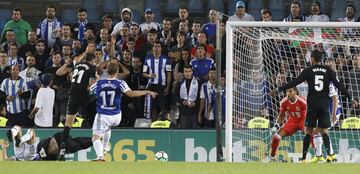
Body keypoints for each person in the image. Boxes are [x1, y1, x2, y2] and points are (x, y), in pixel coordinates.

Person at [269, 49, 359, 163]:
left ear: (312, 59)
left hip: (312, 105)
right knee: (324, 130)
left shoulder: (308, 70)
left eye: (310, 57)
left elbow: (294, 83)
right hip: (324, 105)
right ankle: (330, 155)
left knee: (309, 131)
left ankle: (304, 158)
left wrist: (278, 89)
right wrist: (351, 98)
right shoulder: (328, 70)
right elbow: (339, 86)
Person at [91, 62, 157, 161]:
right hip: (117, 116)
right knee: (107, 128)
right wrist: (147, 92)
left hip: (103, 115)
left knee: (95, 138)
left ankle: (100, 156)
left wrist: (97, 78)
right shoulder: (120, 83)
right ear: (117, 72)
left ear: (106, 71)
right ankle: (104, 148)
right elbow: (131, 94)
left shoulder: (99, 83)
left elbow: (90, 89)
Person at [58, 50, 97, 161]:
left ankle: (62, 150)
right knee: (93, 111)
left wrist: (84, 52)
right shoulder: (92, 68)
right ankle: (97, 139)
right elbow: (90, 85)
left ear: (85, 58)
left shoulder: (78, 65)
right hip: (84, 97)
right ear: (93, 60)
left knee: (68, 125)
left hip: (73, 95)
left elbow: (76, 59)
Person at [263, 87, 306, 162]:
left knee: (310, 134)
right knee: (276, 137)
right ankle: (272, 157)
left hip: (303, 120)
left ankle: (318, 156)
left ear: (295, 92)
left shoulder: (302, 101)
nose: (288, 93)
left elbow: (309, 113)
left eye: (290, 91)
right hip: (292, 121)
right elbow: (281, 116)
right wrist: (276, 127)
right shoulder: (283, 102)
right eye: (287, 91)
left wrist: (308, 125)